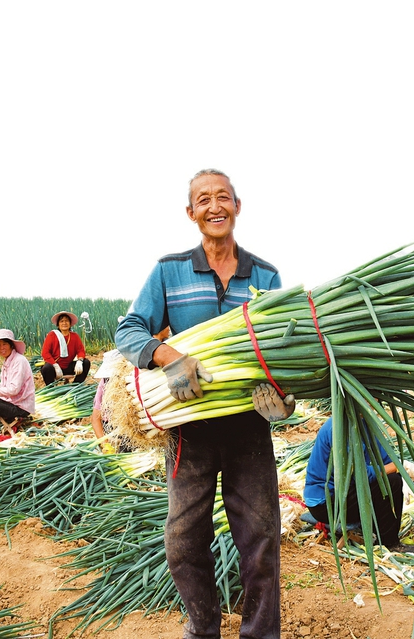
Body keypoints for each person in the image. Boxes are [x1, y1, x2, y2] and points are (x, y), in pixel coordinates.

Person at [115, 169, 295, 639]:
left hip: (247, 429)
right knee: (182, 541)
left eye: (223, 198)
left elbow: (286, 356)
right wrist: (167, 355)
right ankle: (203, 629)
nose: (214, 206)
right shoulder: (169, 271)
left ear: (238, 206)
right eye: (203, 199)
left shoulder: (266, 275)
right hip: (188, 431)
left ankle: (260, 634)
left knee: (260, 541)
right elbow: (128, 330)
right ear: (191, 212)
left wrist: (284, 400)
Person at [303, 416, 414, 553]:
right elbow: (360, 474)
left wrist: (403, 473)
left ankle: (377, 531)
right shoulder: (340, 428)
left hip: (345, 492)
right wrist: (398, 467)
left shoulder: (363, 421)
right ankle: (389, 543)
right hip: (326, 504)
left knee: (392, 479)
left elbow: (384, 459)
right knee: (392, 482)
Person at [41, 311, 90, 384]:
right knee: (46, 368)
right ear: (58, 324)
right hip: (54, 367)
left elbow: (81, 351)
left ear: (70, 324)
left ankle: (75, 386)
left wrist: (80, 361)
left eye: (67, 321)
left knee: (86, 363)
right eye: (62, 321)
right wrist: (55, 365)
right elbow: (45, 353)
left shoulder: (75, 336)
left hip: (68, 366)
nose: (64, 323)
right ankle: (51, 389)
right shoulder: (52, 335)